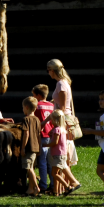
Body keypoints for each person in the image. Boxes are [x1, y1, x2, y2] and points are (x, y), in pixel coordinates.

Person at [47, 59, 81, 194]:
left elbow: (62, 108)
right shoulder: (64, 83)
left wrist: (49, 120)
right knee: (64, 154)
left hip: (63, 121)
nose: (48, 73)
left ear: (52, 70)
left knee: (61, 154)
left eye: (48, 70)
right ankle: (61, 188)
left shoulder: (61, 84)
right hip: (66, 120)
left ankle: (63, 187)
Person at [31, 85, 54, 192]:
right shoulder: (52, 105)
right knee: (50, 162)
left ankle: (43, 185)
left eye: (34, 95)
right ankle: (53, 183)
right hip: (52, 135)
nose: (33, 97)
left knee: (42, 162)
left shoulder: (37, 106)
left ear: (39, 95)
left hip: (42, 135)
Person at [20, 96, 42, 196]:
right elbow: (38, 135)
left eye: (23, 107)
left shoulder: (26, 119)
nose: (23, 110)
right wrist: (39, 148)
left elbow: (26, 134)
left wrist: (23, 147)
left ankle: (36, 188)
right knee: (31, 167)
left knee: (28, 168)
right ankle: (31, 189)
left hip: (28, 148)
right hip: (36, 147)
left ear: (27, 107)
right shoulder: (37, 119)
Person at [47, 110, 71, 195]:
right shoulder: (63, 129)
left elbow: (55, 142)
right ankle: (58, 190)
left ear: (55, 120)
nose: (51, 121)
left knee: (54, 173)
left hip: (57, 154)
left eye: (52, 120)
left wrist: (45, 145)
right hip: (62, 154)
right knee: (57, 172)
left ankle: (67, 186)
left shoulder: (56, 130)